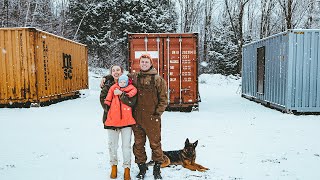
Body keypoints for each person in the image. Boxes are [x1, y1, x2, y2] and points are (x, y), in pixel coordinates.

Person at [130, 53, 168, 179]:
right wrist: (106, 77)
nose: (144, 64)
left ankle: (157, 170)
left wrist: (157, 113)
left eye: (146, 62)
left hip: (152, 118)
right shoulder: (134, 77)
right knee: (138, 144)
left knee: (155, 144)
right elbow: (119, 78)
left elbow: (164, 99)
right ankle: (142, 168)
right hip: (137, 118)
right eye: (142, 62)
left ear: (151, 63)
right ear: (139, 64)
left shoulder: (158, 79)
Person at [99, 66, 134, 180]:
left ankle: (127, 169)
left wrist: (122, 95)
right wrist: (113, 112)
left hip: (126, 121)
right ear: (111, 73)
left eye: (118, 70)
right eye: (113, 70)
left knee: (126, 147)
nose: (116, 72)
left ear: (122, 72)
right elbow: (103, 100)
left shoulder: (129, 84)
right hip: (111, 121)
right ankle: (113, 166)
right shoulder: (108, 84)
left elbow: (132, 101)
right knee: (112, 146)